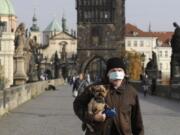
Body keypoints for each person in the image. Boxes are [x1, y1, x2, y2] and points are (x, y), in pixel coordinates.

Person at [73, 57, 144, 135]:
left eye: (120, 70)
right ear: (107, 73)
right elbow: (77, 104)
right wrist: (93, 117)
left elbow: (137, 123)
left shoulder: (131, 92)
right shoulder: (95, 88)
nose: (117, 73)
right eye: (113, 71)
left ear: (124, 73)